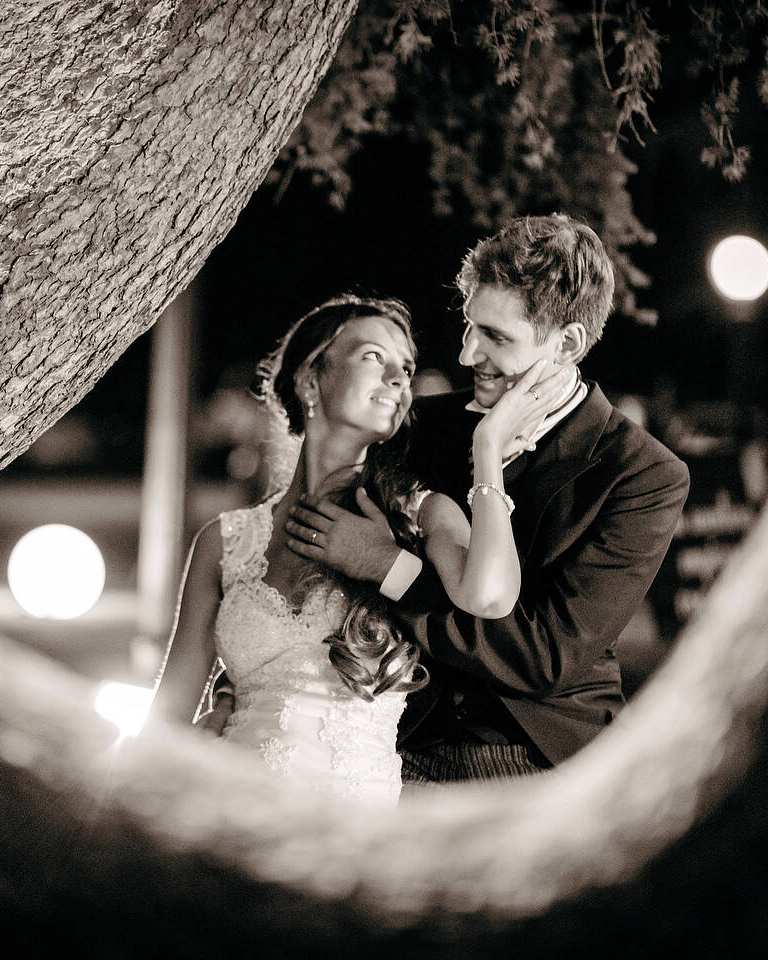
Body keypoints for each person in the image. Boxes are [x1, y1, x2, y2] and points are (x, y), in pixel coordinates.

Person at [286, 214, 691, 784]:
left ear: (566, 343)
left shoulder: (642, 474)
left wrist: (389, 567)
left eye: (497, 337)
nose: (466, 353)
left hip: (539, 757)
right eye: (470, 325)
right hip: (397, 737)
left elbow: (545, 657)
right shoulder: (420, 428)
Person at [148, 294, 570, 804]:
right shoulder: (226, 540)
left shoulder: (423, 516)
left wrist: (488, 446)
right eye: (374, 357)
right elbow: (167, 715)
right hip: (231, 815)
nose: (398, 378)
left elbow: (491, 598)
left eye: (406, 368)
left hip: (352, 830)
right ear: (310, 378)